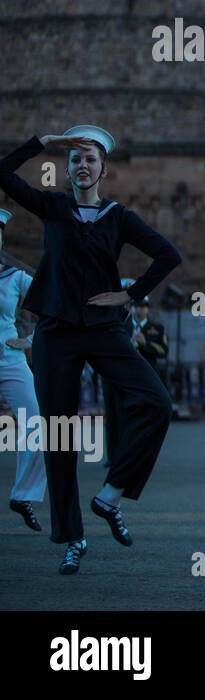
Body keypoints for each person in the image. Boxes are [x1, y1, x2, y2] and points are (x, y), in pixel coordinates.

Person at [0, 126, 180, 575]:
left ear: (104, 169)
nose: (83, 165)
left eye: (91, 159)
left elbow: (167, 254)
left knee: (157, 402)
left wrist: (131, 293)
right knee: (61, 435)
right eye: (76, 159)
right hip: (56, 332)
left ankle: (111, 494)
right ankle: (73, 537)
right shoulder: (52, 206)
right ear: (67, 169)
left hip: (104, 328)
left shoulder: (118, 216)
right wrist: (43, 142)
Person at [0, 209, 45, 532]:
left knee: (40, 425)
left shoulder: (14, 277)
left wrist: (29, 341)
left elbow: (49, 303)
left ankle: (23, 494)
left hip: (8, 358)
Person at [126, 297, 168, 397]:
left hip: (149, 373)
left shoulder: (156, 328)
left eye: (141, 307)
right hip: (128, 374)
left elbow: (163, 351)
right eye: (135, 306)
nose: (138, 310)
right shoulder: (124, 327)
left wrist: (146, 344)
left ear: (147, 308)